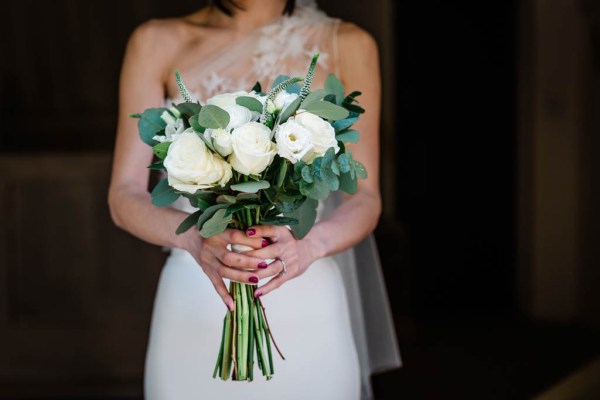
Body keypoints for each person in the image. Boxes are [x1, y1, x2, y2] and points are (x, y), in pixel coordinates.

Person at [108, 0, 400, 399]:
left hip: (308, 289)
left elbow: (365, 198)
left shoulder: (349, 44)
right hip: (197, 292)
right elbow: (123, 195)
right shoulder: (157, 42)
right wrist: (193, 239)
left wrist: (309, 246)